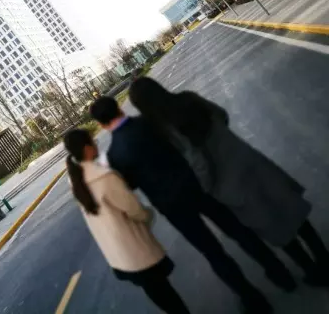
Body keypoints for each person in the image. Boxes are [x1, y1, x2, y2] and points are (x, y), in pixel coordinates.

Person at [129, 76, 329, 286]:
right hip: (247, 159)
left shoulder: (166, 129)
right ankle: (323, 257)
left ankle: (311, 270)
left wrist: (206, 188)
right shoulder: (188, 98)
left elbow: (198, 161)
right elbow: (222, 114)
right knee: (290, 209)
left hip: (228, 182)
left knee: (273, 225)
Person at [89, 96, 278, 313]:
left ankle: (253, 299)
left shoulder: (115, 154)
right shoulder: (148, 122)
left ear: (101, 124)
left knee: (212, 251)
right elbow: (177, 143)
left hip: (172, 206)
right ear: (119, 108)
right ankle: (277, 270)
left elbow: (130, 185)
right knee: (236, 228)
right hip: (194, 185)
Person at [63, 129, 190, 314]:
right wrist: (148, 216)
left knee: (156, 292)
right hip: (135, 248)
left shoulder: (76, 180)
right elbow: (134, 209)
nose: (96, 145)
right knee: (166, 295)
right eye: (93, 142)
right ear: (87, 149)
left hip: (118, 253)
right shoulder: (103, 177)